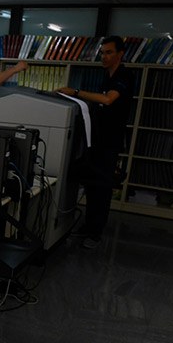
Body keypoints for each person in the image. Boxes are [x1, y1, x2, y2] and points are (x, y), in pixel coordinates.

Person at [57, 35, 133, 249]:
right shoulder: (107, 76)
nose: (104, 56)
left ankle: (95, 234)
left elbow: (109, 100)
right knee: (92, 185)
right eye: (102, 52)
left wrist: (77, 92)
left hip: (110, 142)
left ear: (120, 54)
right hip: (97, 140)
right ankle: (88, 226)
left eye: (109, 52)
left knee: (102, 188)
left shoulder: (124, 75)